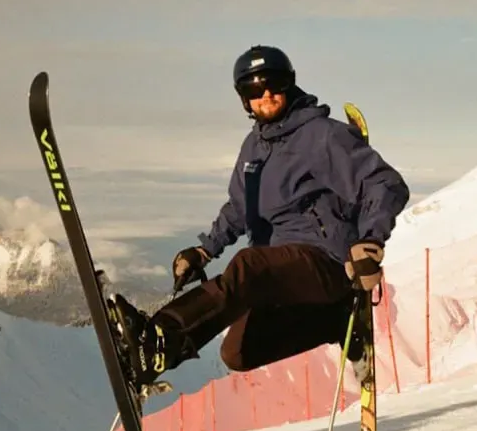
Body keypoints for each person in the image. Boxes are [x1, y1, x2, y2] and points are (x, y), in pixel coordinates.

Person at [112, 45, 410, 389]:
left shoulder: (322, 135)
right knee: (237, 354)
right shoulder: (253, 148)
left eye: (274, 83)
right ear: (244, 99)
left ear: (289, 84)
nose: (265, 94)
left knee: (249, 265)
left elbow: (385, 184)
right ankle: (336, 321)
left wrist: (370, 241)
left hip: (324, 261)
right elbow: (239, 207)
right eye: (253, 89)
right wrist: (205, 251)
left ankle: (161, 339)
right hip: (277, 275)